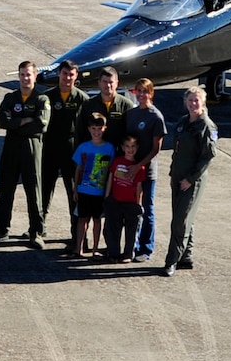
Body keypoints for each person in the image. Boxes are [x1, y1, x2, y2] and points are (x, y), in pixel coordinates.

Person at [0, 60, 50, 247]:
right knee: (5, 190)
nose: (25, 78)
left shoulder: (42, 99)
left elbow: (41, 124)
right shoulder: (10, 98)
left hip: (32, 149)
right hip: (11, 148)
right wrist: (24, 120)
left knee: (34, 192)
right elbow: (2, 120)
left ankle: (36, 232)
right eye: (22, 74)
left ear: (35, 76)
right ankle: (1, 229)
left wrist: (15, 123)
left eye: (29, 74)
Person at [160, 88, 218, 275]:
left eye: (197, 100)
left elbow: (207, 157)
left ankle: (171, 261)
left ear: (203, 103)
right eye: (190, 100)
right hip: (178, 176)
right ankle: (186, 256)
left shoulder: (206, 127)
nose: (193, 104)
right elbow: (176, 152)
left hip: (193, 180)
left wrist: (190, 179)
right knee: (183, 216)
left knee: (180, 221)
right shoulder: (183, 123)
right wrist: (172, 174)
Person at [40, 59, 91, 241]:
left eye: (71, 74)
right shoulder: (47, 97)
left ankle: (76, 232)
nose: (67, 77)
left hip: (73, 151)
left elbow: (88, 128)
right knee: (44, 189)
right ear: (59, 74)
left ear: (76, 76)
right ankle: (39, 226)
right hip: (50, 148)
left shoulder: (82, 99)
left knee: (74, 192)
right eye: (64, 73)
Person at [124, 80, 168, 261]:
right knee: (132, 208)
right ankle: (131, 246)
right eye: (138, 91)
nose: (141, 94)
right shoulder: (132, 114)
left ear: (151, 93)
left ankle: (146, 248)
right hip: (131, 170)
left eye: (145, 91)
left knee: (146, 209)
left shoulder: (155, 117)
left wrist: (139, 165)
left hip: (147, 171)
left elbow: (156, 149)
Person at [70, 113, 114, 259]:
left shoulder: (109, 148)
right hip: (83, 189)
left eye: (99, 128)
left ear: (104, 129)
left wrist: (108, 192)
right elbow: (78, 168)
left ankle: (95, 249)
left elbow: (111, 172)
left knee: (97, 220)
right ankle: (78, 248)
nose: (97, 132)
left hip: (99, 191)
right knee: (82, 219)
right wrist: (75, 189)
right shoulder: (83, 147)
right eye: (94, 128)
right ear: (89, 129)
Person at [103, 134, 146, 262]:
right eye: (127, 146)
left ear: (137, 148)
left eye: (133, 146)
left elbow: (139, 187)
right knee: (112, 229)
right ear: (122, 147)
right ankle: (113, 253)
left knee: (131, 230)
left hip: (131, 202)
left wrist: (138, 203)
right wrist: (107, 195)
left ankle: (128, 254)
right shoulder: (117, 161)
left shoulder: (140, 167)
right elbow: (111, 178)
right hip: (115, 200)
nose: (130, 149)